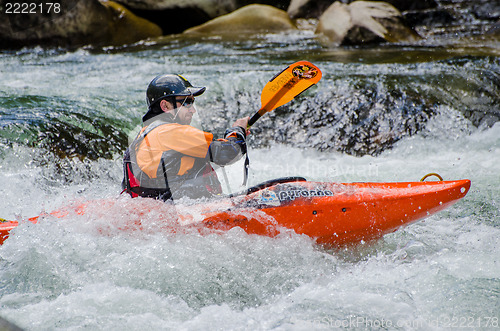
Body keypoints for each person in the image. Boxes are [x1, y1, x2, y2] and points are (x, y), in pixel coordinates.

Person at [122, 74, 249, 201]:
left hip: (162, 212)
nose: (193, 110)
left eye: (192, 102)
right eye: (186, 102)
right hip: (192, 211)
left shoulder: (141, 137)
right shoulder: (173, 132)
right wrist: (237, 131)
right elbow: (228, 152)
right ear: (165, 106)